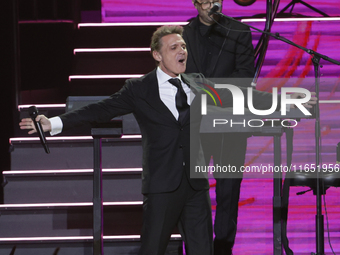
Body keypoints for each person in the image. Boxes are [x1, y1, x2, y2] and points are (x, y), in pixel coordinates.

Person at [19, 25, 316, 255]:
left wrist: (291, 101)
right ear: (158, 55)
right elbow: (101, 108)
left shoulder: (198, 83)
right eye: (174, 47)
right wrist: (54, 122)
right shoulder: (139, 89)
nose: (182, 51)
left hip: (195, 187)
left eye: (184, 46)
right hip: (162, 188)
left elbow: (242, 97)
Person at [182, 1, 258, 254]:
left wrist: (207, 89)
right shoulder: (183, 34)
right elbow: (180, 75)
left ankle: (224, 247)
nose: (211, 5)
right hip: (193, 123)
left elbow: (245, 76)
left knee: (228, 189)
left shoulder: (239, 31)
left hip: (230, 121)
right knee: (194, 188)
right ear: (195, 3)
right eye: (205, 0)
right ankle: (199, 247)